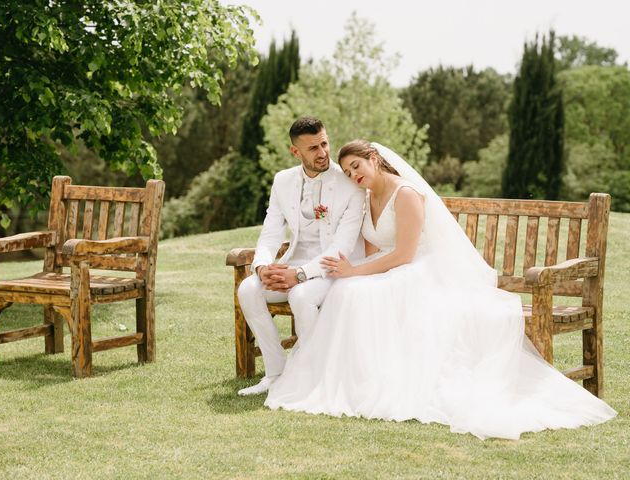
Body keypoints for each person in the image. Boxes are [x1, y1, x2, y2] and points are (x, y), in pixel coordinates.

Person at [264, 140, 617, 440]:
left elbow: (403, 254)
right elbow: (372, 247)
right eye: (349, 172)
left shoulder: (406, 195)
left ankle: (383, 382)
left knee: (354, 290)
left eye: (358, 166)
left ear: (374, 159)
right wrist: (354, 273)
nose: (355, 175)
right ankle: (353, 380)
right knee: (349, 291)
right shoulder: (364, 196)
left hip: (418, 269)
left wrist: (355, 272)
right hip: (392, 268)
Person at [236, 118, 365, 396]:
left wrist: (301, 274)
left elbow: (341, 246)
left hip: (332, 269)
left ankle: (315, 374)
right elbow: (271, 233)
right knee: (248, 289)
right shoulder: (282, 181)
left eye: (324, 143)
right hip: (292, 264)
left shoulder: (350, 185)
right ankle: (276, 372)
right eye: (312, 148)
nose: (322, 153)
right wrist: (261, 268)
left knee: (301, 296)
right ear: (296, 152)